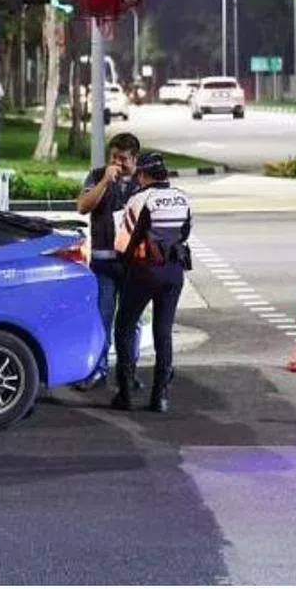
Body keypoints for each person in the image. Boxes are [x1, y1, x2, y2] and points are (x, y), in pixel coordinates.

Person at [111, 152, 192, 413]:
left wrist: (122, 267)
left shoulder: (140, 198)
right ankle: (161, 396)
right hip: (173, 272)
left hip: (144, 270)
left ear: (143, 175)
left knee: (124, 326)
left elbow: (124, 242)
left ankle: (125, 393)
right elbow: (186, 232)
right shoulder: (182, 197)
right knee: (163, 331)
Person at [74, 132, 144, 391]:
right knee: (101, 319)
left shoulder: (142, 180)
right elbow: (82, 207)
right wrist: (104, 181)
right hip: (103, 262)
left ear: (134, 158)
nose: (117, 163)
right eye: (114, 157)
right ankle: (97, 370)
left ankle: (128, 371)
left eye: (123, 158)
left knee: (132, 322)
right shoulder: (97, 175)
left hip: (133, 264)